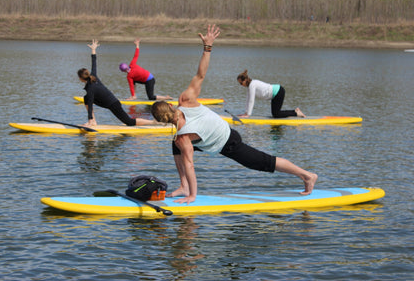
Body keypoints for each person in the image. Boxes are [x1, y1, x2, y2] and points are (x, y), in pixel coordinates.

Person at [151, 25, 318, 204]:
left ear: (162, 122)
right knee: (176, 146)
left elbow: (190, 165)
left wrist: (193, 196)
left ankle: (307, 175)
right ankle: (184, 186)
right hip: (216, 134)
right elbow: (200, 75)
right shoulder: (185, 100)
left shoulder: (182, 138)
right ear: (170, 105)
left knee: (262, 162)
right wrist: (207, 47)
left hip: (228, 142)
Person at [78, 39, 157, 128]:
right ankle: (93, 122)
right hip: (107, 102)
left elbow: (90, 104)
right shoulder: (93, 76)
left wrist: (89, 118)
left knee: (129, 122)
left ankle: (153, 122)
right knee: (86, 98)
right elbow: (94, 62)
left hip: (113, 104)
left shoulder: (90, 88)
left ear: (80, 78)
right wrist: (93, 49)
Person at [237, 70, 306, 118]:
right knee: (275, 114)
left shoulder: (252, 85)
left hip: (278, 92)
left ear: (245, 80)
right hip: (275, 94)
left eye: (241, 83)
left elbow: (251, 100)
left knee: (276, 114)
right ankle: (295, 111)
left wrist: (248, 114)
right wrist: (245, 113)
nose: (240, 85)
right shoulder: (250, 86)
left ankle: (296, 113)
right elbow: (248, 100)